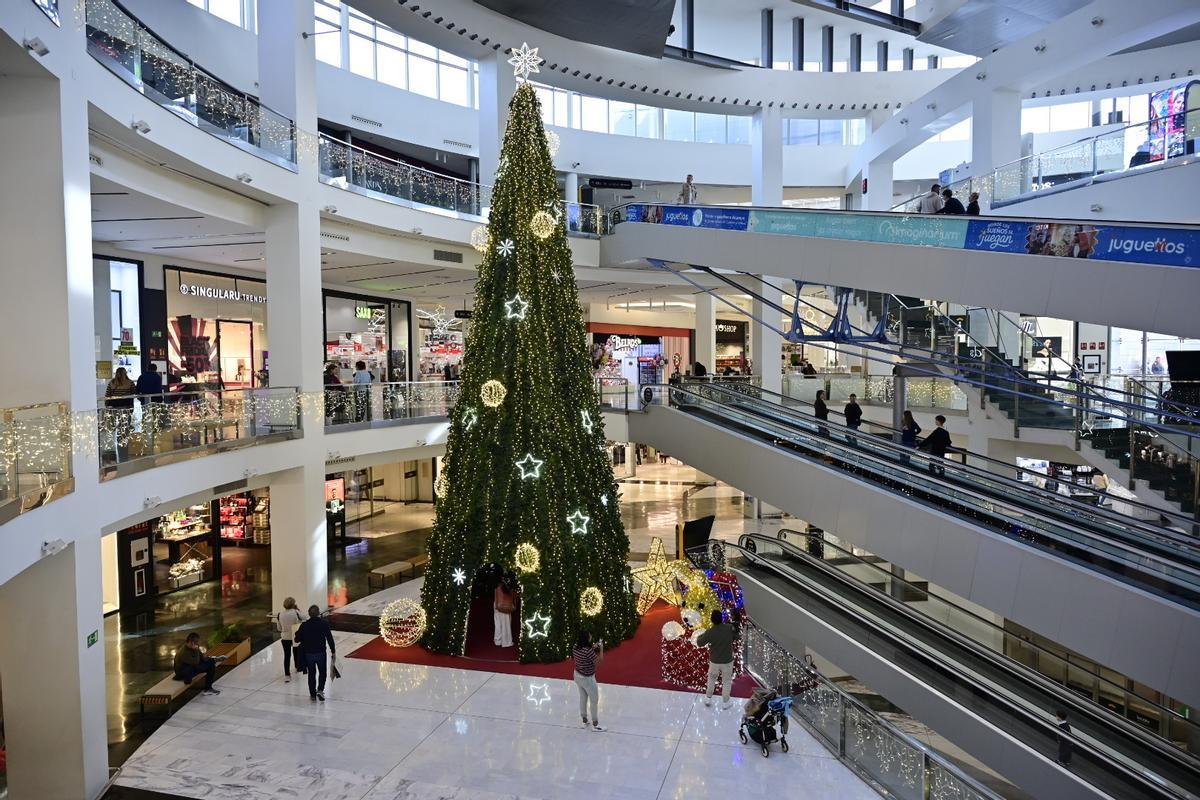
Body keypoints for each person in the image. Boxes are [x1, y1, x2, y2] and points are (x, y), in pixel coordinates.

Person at [294, 604, 335, 701]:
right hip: (321, 652)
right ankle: (320, 690)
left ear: (309, 614)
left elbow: (297, 639)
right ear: (318, 613)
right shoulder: (324, 624)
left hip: (309, 653)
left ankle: (312, 694)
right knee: (322, 672)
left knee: (311, 674)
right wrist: (333, 650)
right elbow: (329, 638)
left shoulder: (304, 625)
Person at [697, 609, 736, 708]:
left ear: (712, 620)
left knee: (711, 679)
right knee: (726, 681)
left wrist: (702, 635)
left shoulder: (710, 632)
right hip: (727, 661)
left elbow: (699, 643)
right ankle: (726, 702)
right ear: (721, 618)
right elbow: (736, 636)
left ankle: (708, 698)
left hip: (714, 661)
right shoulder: (729, 628)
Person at [572, 630, 605, 731]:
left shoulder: (575, 647)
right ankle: (595, 723)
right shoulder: (588, 651)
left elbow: (584, 653)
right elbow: (599, 661)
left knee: (583, 697)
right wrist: (601, 649)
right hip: (588, 679)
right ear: (586, 639)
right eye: (589, 636)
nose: (591, 637)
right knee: (594, 699)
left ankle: (584, 718)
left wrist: (593, 647)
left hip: (577, 675)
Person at [277, 596, 305, 682]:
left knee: (287, 655)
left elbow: (279, 628)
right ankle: (297, 667)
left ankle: (287, 674)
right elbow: (305, 617)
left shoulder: (279, 614)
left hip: (285, 637)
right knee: (296, 652)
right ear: (293, 604)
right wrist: (298, 610)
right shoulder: (295, 612)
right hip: (295, 636)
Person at [493, 576, 517, 648]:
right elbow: (514, 597)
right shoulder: (510, 587)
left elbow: (496, 597)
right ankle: (506, 641)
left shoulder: (498, 587)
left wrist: (497, 605)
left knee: (498, 624)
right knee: (506, 624)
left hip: (498, 605)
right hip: (507, 605)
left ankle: (498, 640)